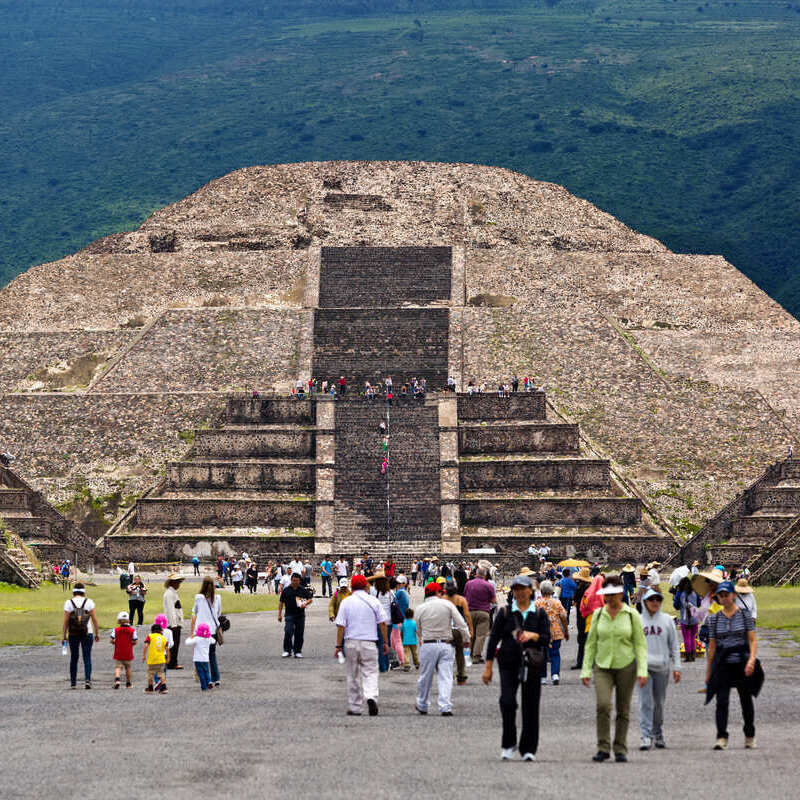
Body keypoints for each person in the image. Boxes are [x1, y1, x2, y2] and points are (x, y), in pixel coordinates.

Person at [481, 573, 550, 761]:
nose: (520, 592)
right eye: (516, 589)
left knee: (531, 706)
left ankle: (528, 748)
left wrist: (533, 636)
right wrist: (488, 667)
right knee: (507, 702)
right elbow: (494, 639)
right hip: (508, 662)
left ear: (530, 591)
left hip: (532, 663)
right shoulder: (505, 613)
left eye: (523, 589)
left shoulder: (539, 613)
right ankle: (509, 743)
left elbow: (546, 638)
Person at [581, 574, 649, 763]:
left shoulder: (631, 615)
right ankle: (603, 747)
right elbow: (591, 644)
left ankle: (620, 747)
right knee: (603, 705)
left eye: (613, 594)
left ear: (620, 593)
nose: (609, 598)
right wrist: (586, 669)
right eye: (607, 595)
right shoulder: (598, 615)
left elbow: (640, 645)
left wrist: (643, 670)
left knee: (623, 709)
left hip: (626, 665)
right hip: (602, 665)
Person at [705, 580, 758, 750]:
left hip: (741, 662)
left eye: (726, 594)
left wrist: (751, 660)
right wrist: (709, 671)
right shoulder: (714, 619)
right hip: (723, 664)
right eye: (720, 595)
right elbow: (712, 647)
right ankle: (721, 736)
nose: (723, 598)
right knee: (722, 701)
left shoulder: (744, 615)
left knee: (746, 700)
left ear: (733, 595)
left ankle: (749, 734)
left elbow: (752, 639)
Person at [334, 574, 389, 716]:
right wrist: (385, 641)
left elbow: (341, 626)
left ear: (352, 586)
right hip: (369, 642)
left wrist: (338, 646)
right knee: (370, 672)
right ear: (366, 586)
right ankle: (371, 696)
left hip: (351, 641)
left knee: (353, 674)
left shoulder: (346, 602)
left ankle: (355, 706)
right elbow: (383, 622)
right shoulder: (373, 601)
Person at [414, 581, 470, 717]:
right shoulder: (447, 605)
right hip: (445, 643)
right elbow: (461, 624)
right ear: (438, 593)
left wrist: (423, 637)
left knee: (425, 676)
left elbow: (418, 627)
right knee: (445, 676)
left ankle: (422, 704)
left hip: (428, 643)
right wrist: (466, 639)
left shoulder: (420, 608)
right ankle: (445, 706)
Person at [638, 588, 681, 750]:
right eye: (651, 600)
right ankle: (645, 735)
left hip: (662, 667)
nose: (655, 603)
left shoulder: (667, 620)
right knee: (645, 702)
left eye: (658, 600)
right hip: (644, 667)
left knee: (659, 704)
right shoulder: (638, 621)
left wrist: (677, 666)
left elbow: (674, 645)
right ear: (645, 602)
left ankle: (658, 732)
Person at [61, 583, 100, 689]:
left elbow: (65, 621)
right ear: (84, 591)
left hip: (73, 633)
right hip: (87, 632)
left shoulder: (69, 603)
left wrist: (64, 635)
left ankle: (73, 682)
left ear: (74, 591)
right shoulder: (89, 602)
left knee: (74, 657)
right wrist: (97, 633)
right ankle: (87, 680)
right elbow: (94, 620)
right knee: (87, 656)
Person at [535, 580, 568, 685]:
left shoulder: (537, 603)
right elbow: (563, 617)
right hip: (556, 631)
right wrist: (566, 630)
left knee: (542, 655)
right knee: (555, 654)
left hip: (541, 633)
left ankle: (542, 677)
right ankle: (555, 675)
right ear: (552, 591)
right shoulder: (557, 603)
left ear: (541, 590)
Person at [191, 576, 222, 688]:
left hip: (200, 630)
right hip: (212, 629)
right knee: (212, 654)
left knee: (201, 654)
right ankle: (215, 678)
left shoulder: (198, 597)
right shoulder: (217, 597)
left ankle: (205, 677)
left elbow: (195, 611)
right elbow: (218, 613)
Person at [464, 567, 496, 663]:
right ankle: (476, 656)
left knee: (471, 634)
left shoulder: (468, 584)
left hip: (470, 612)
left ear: (476, 574)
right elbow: (494, 600)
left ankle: (470, 653)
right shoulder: (488, 585)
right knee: (480, 635)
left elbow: (464, 596)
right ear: (485, 575)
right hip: (483, 612)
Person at [445, 580, 474, 686]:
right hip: (458, 629)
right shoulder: (461, 600)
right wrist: (471, 630)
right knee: (460, 653)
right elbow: (467, 615)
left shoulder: (443, 599)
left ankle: (448, 675)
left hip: (446, 629)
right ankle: (461, 676)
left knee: (447, 654)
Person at [278, 573, 313, 658]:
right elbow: (281, 602)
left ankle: (297, 651)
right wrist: (279, 614)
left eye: (297, 581)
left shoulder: (303, 590)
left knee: (299, 633)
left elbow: (310, 599)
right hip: (289, 614)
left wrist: (305, 603)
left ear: (299, 581)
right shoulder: (286, 590)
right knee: (288, 631)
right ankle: (287, 650)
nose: (295, 582)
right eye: (293, 580)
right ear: (291, 580)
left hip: (300, 615)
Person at [571, 568, 593, 670]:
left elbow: (574, 600)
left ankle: (581, 661)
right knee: (589, 638)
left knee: (581, 639)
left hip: (581, 615)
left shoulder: (580, 589)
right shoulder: (591, 588)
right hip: (590, 615)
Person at [162, 572, 185, 670]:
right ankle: (172, 663)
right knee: (173, 644)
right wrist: (174, 624)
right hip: (173, 624)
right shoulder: (169, 594)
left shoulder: (172, 593)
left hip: (175, 623)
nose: (179, 584)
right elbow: (171, 610)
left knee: (174, 644)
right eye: (177, 582)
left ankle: (172, 662)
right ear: (172, 583)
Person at [675, 577, 701, 661]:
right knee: (693, 637)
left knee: (686, 638)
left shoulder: (680, 593)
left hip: (684, 618)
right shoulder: (695, 592)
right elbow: (699, 603)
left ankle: (688, 656)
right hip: (694, 618)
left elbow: (676, 605)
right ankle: (693, 655)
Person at [110, 611, 137, 689]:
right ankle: (128, 683)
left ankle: (117, 680)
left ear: (119, 621)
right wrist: (129, 644)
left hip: (118, 652)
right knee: (128, 668)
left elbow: (111, 640)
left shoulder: (115, 630)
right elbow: (135, 641)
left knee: (118, 667)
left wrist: (117, 643)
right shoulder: (132, 631)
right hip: (128, 652)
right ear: (128, 620)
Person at [185, 623, 214, 691]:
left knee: (200, 673)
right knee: (206, 671)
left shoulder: (197, 639)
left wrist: (191, 637)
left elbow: (187, 642)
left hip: (197, 659)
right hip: (205, 659)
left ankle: (204, 686)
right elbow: (214, 641)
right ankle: (209, 681)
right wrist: (208, 636)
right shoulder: (208, 639)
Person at [142, 622, 169, 693]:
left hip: (152, 659)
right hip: (161, 659)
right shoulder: (163, 638)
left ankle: (150, 688)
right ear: (160, 630)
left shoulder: (150, 636)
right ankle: (164, 688)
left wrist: (144, 655)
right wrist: (168, 658)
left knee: (150, 673)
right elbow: (167, 649)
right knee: (161, 673)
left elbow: (145, 646)